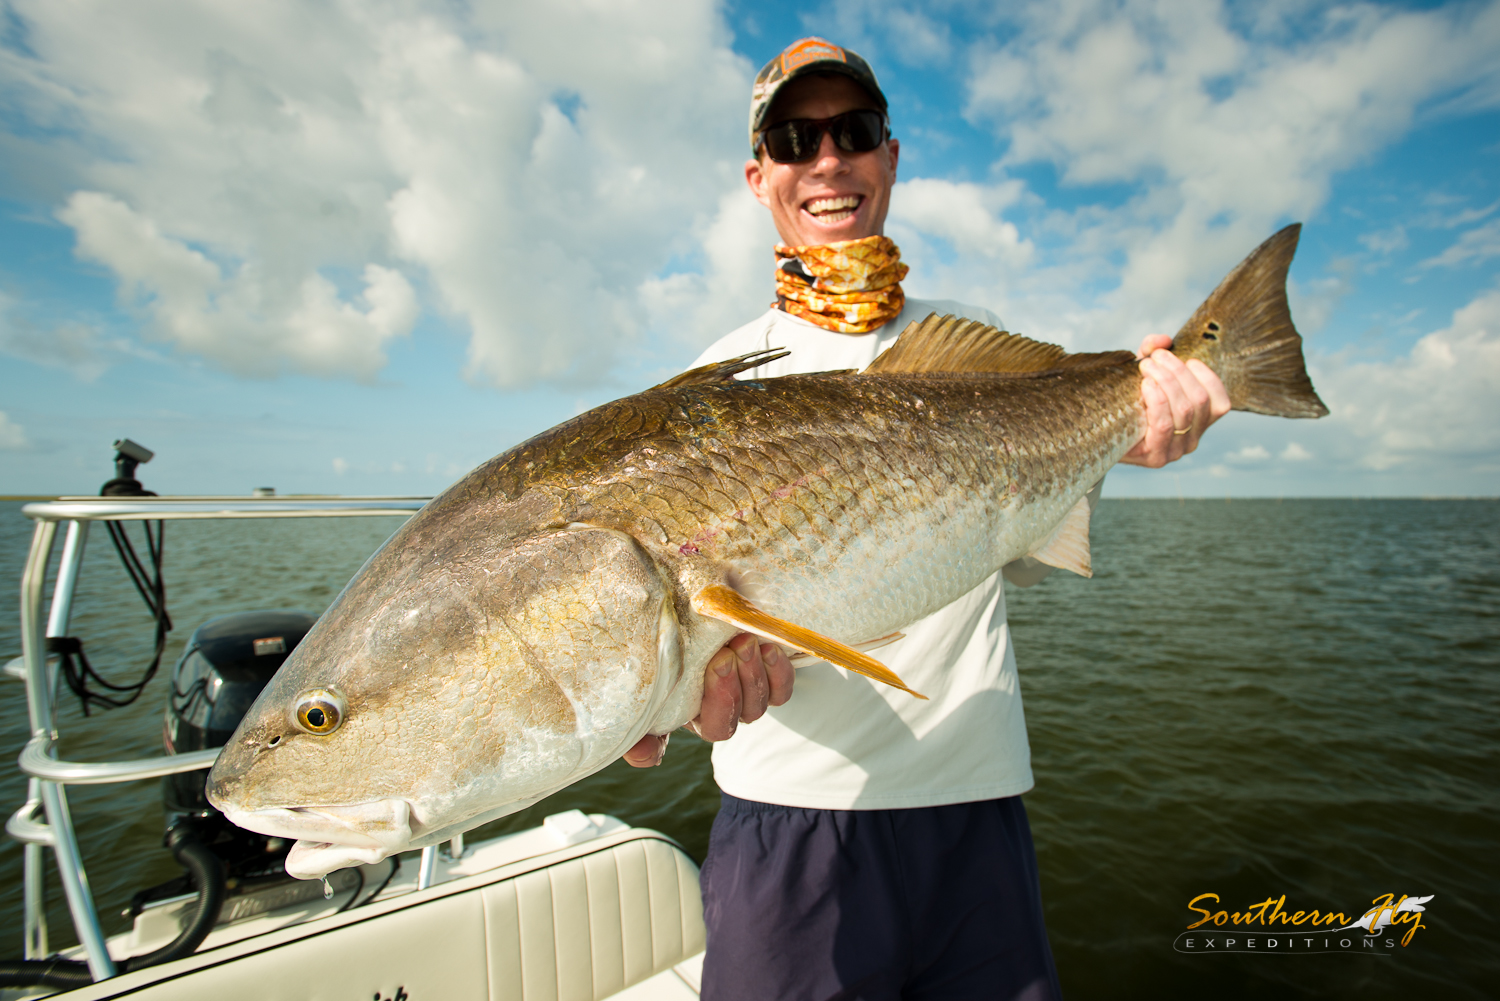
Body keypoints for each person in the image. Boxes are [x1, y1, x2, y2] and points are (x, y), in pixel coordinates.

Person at [624, 37, 1228, 1000]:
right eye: (795, 137)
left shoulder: (971, 347)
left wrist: (1128, 432)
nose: (828, 159)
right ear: (759, 175)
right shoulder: (711, 390)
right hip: (791, 818)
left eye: (854, 131)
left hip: (978, 806)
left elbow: (1018, 556)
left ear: (891, 158)